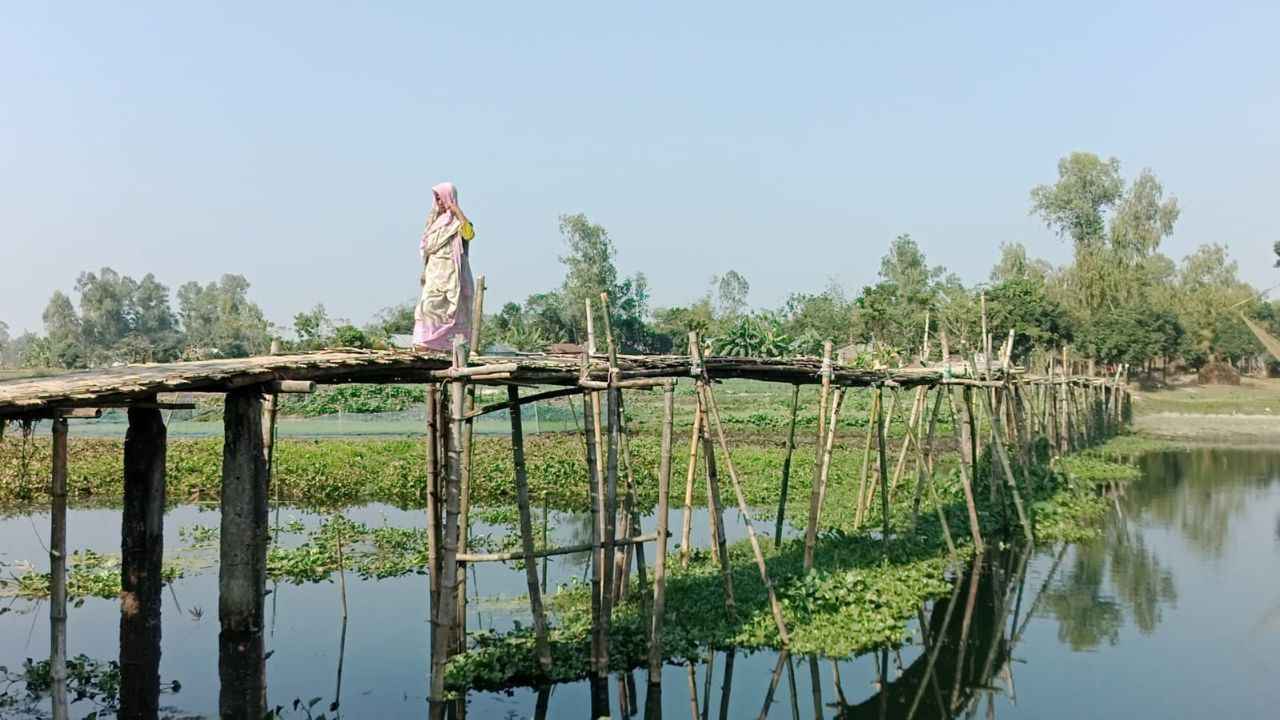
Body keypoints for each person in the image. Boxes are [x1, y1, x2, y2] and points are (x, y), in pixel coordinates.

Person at [413, 182, 475, 351]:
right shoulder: (434, 223)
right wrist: (424, 271)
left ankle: (447, 347)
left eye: (441, 198)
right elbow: (428, 249)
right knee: (427, 308)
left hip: (452, 274)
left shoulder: (458, 222)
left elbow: (469, 234)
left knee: (452, 311)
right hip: (434, 273)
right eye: (437, 199)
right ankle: (425, 344)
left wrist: (457, 211)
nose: (439, 202)